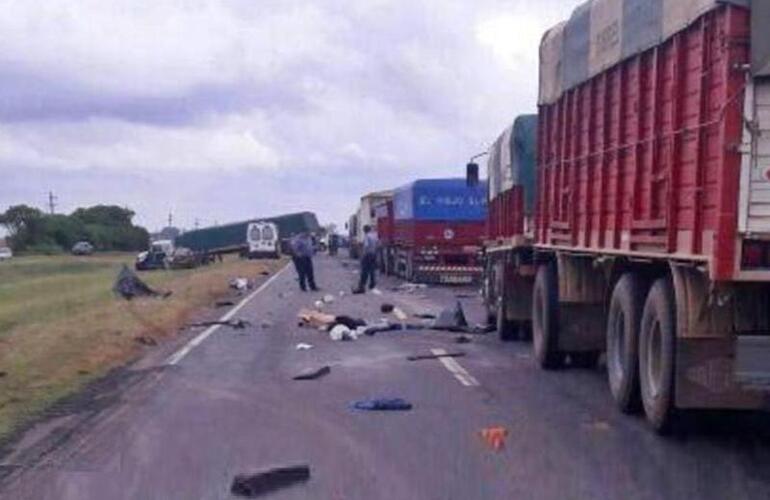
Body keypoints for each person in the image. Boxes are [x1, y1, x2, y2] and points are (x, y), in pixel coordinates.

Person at [354, 225, 378, 293]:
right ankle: (372, 284)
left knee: (364, 271)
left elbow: (366, 246)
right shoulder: (374, 236)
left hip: (368, 255)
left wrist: (362, 255)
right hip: (374, 254)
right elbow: (377, 244)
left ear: (365, 230)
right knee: (372, 270)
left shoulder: (367, 236)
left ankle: (362, 286)